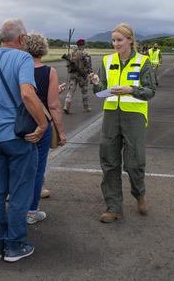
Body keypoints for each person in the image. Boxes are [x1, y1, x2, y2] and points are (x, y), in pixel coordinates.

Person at [0, 19, 47, 262]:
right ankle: (15, 245)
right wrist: (42, 123)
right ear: (21, 39)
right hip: (17, 138)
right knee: (19, 192)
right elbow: (27, 93)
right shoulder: (23, 59)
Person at [90, 23, 156, 223]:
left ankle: (139, 193)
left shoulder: (143, 61)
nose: (116, 44)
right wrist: (96, 84)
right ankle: (114, 207)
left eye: (119, 40)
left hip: (134, 117)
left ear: (130, 40)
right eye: (113, 40)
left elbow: (150, 91)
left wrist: (131, 90)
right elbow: (101, 90)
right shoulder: (107, 61)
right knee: (109, 161)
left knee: (134, 162)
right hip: (111, 115)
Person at [24, 33, 68, 225]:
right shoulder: (49, 72)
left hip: (18, 125)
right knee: (37, 169)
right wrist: (61, 131)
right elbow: (54, 106)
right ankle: (31, 212)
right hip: (40, 125)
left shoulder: (17, 69)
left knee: (17, 167)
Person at [63, 38, 93, 114]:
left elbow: (68, 65)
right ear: (83, 45)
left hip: (73, 75)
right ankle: (86, 108)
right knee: (84, 92)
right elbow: (89, 66)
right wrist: (90, 74)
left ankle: (66, 106)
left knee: (71, 91)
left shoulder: (71, 54)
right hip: (82, 76)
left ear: (77, 45)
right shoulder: (86, 54)